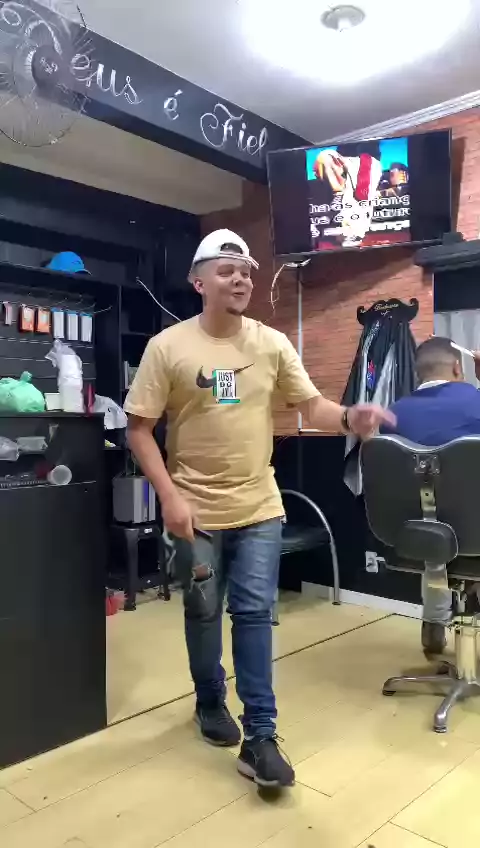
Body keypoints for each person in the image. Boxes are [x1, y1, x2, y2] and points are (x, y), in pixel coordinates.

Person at [124, 228, 394, 789]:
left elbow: (311, 407)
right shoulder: (167, 347)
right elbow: (139, 429)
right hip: (194, 512)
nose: (241, 278)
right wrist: (168, 497)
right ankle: (208, 701)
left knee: (253, 616)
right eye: (227, 270)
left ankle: (261, 737)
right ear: (198, 282)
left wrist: (350, 417)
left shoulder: (271, 343)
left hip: (259, 506)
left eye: (246, 271)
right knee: (203, 614)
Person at [382, 336, 480, 654]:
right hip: (475, 528)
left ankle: (434, 620)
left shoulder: (392, 415)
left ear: (419, 372)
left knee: (433, 515)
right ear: (457, 368)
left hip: (419, 532)